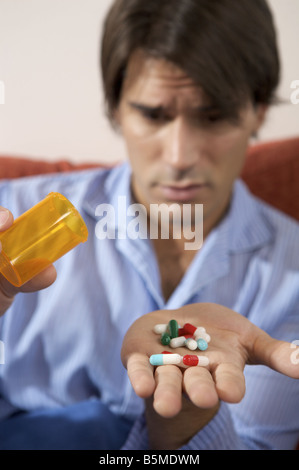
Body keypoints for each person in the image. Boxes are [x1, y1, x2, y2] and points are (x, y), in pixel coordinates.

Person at [0, 0, 298, 450]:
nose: (180, 157)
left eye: (213, 116)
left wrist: (187, 416)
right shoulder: (18, 216)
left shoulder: (292, 270)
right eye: (154, 115)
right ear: (116, 109)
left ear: (258, 111)